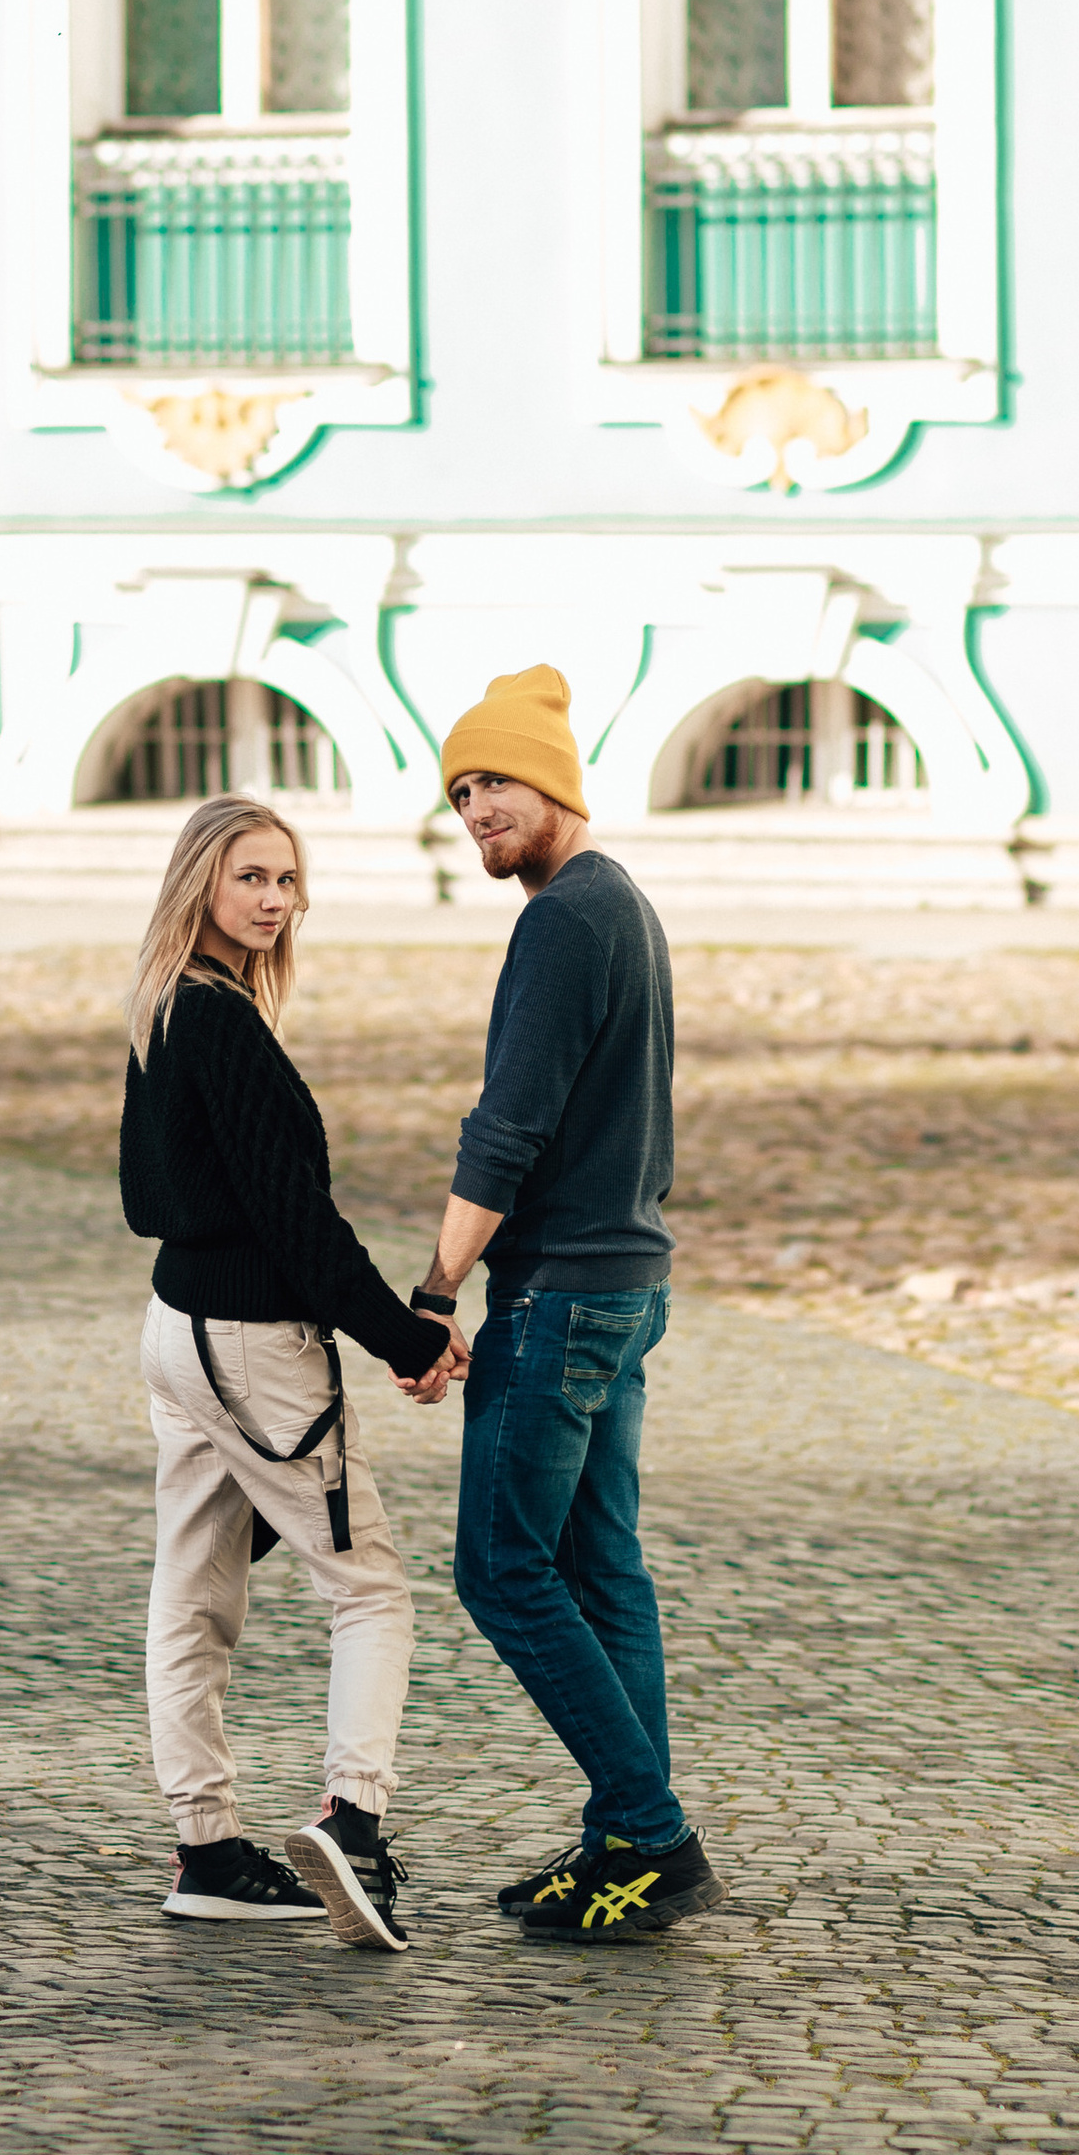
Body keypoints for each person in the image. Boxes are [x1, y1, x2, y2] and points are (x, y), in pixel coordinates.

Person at [122, 790, 468, 1953]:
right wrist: (406, 1339)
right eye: (249, 878)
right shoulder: (218, 1023)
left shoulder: (164, 1004)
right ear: (199, 885)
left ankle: (208, 1853)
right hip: (252, 1346)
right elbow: (297, 1223)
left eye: (285, 880)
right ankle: (351, 1822)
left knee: (192, 1596)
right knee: (368, 1590)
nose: (274, 901)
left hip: (177, 1331)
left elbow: (147, 1199)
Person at [414, 666, 721, 1945]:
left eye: (495, 781)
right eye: (460, 792)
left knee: (499, 1569)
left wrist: (437, 1288)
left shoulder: (562, 922)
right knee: (601, 1570)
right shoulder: (620, 906)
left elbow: (508, 1130)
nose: (477, 809)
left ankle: (651, 1832)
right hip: (625, 1288)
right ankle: (623, 1847)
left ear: (553, 783)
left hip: (560, 1299)